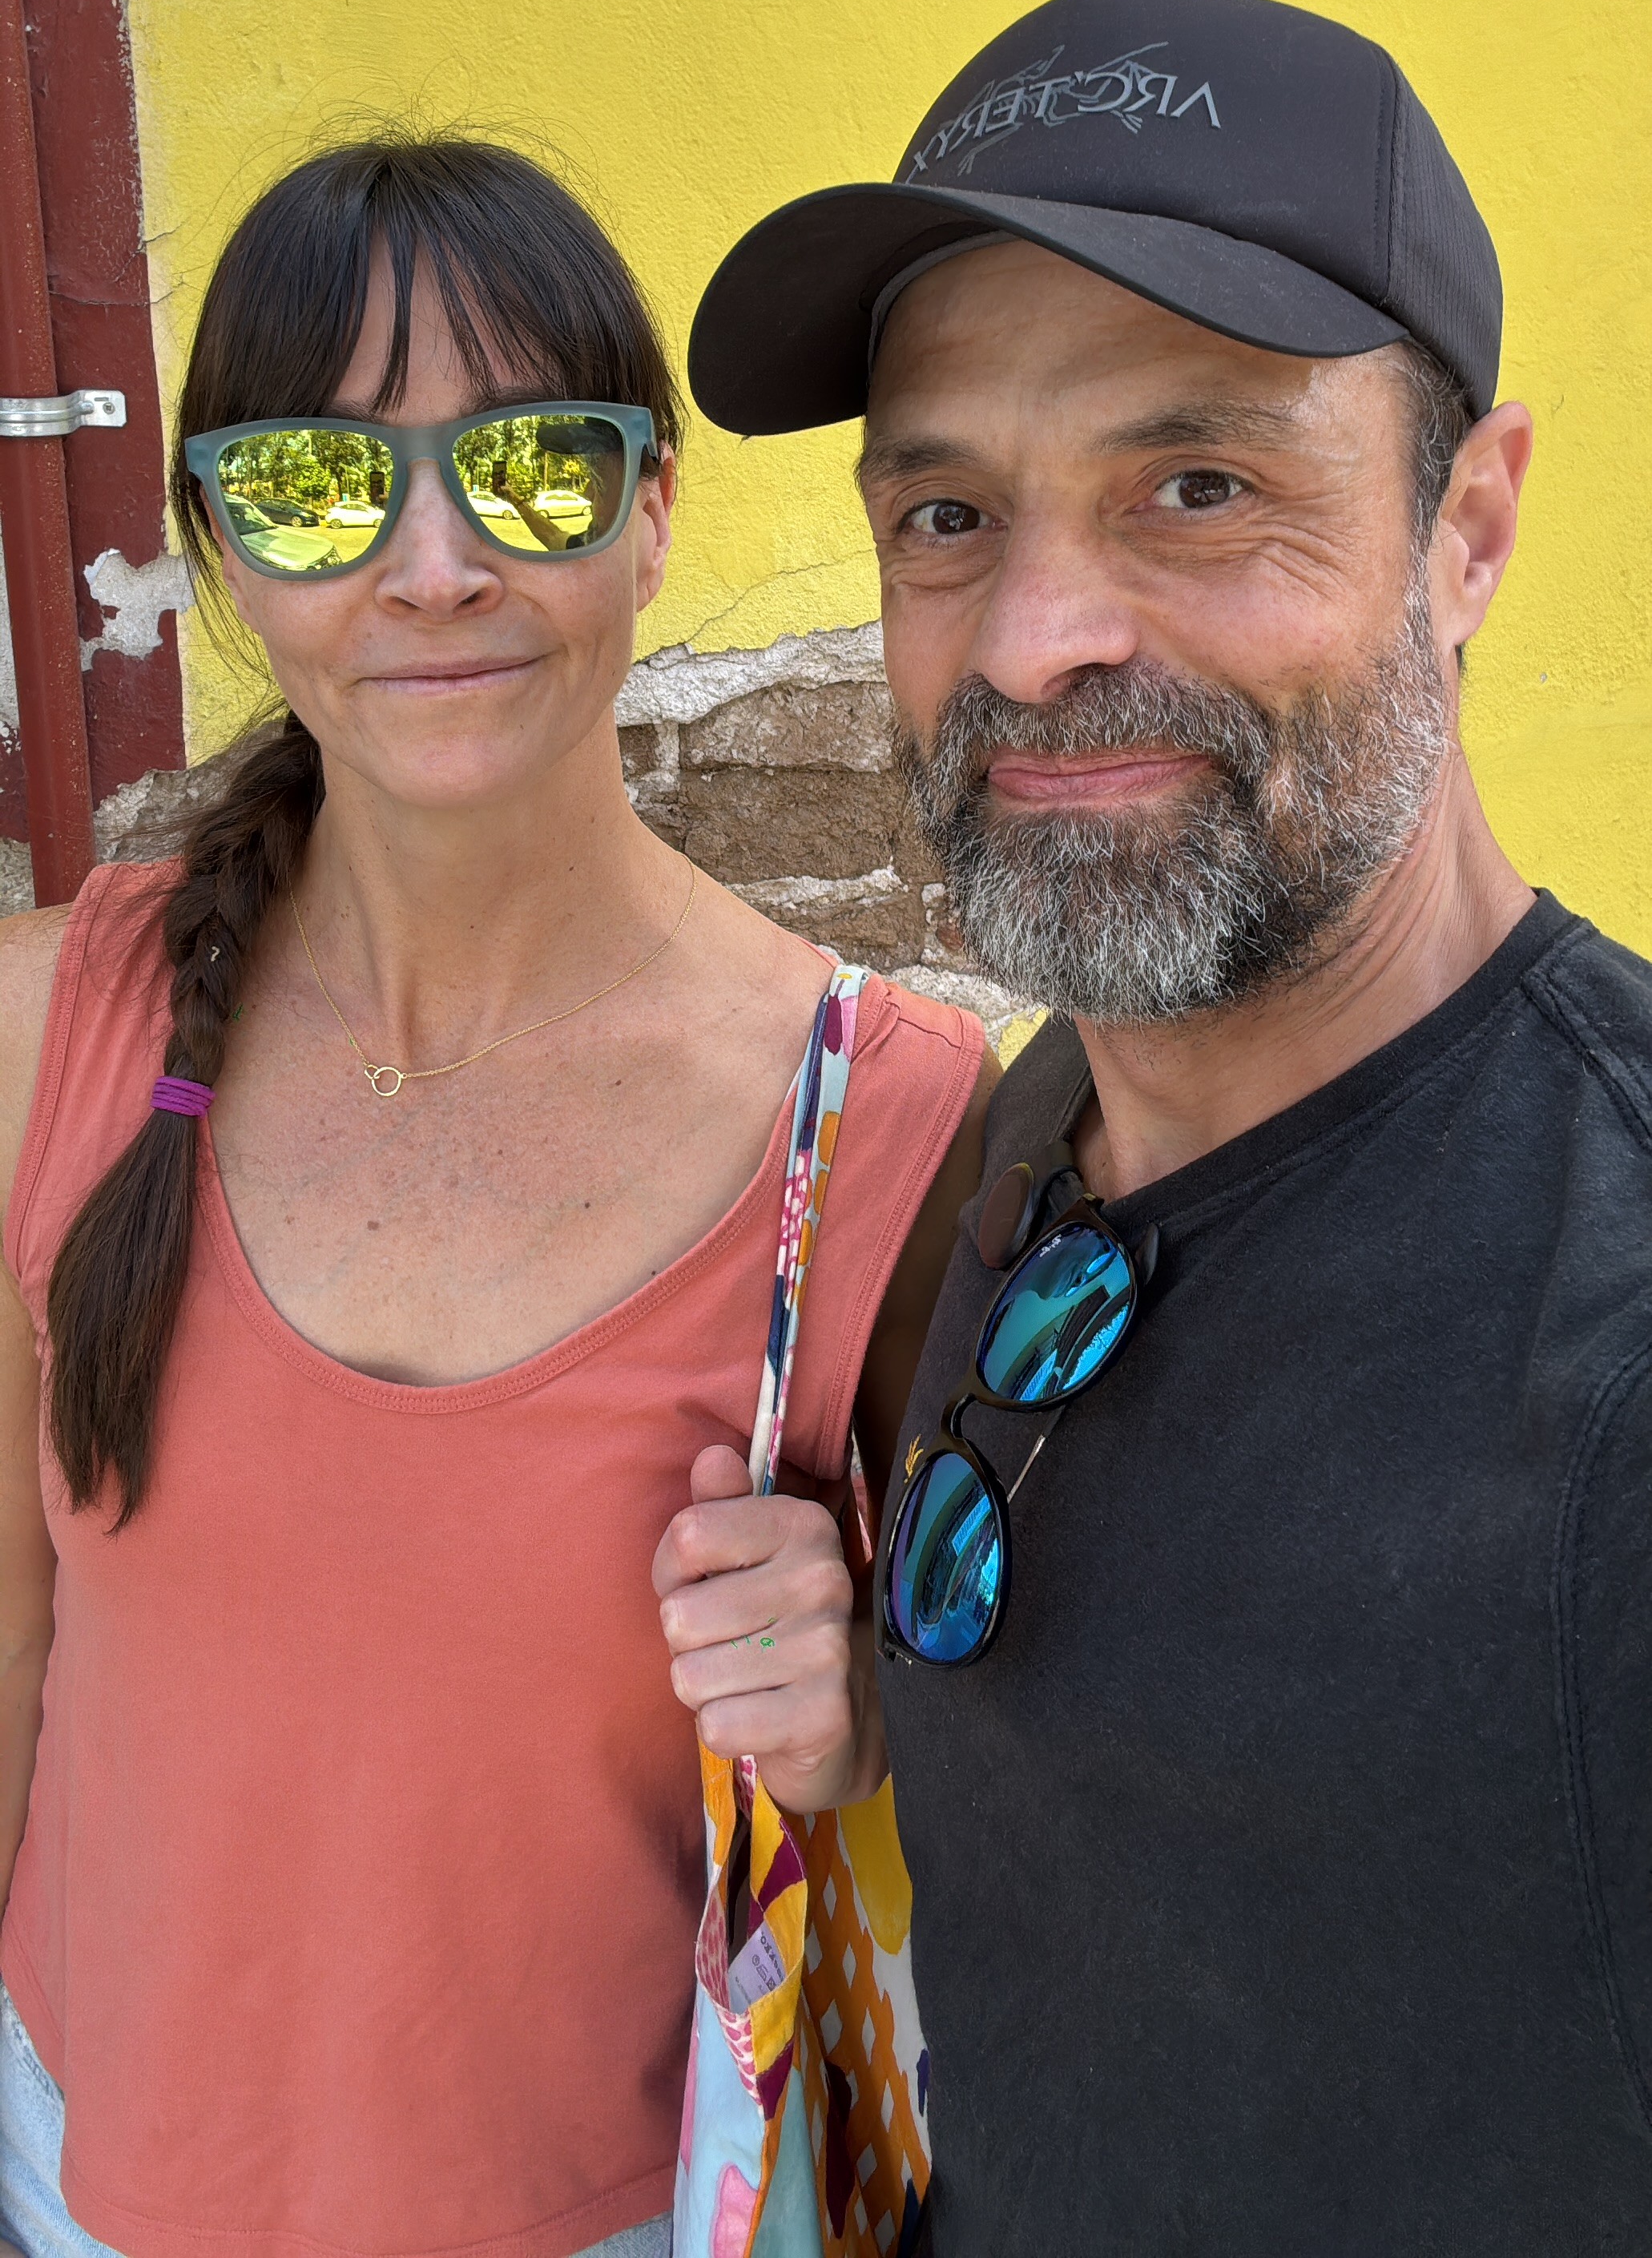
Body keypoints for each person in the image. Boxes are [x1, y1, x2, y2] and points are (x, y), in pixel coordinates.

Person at [673, 0, 1652, 2252]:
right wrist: (879, 1720)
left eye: (1198, 486)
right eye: (946, 511)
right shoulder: (1047, 1127)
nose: (1034, 637)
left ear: (1469, 527)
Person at [0, 137, 990, 2258]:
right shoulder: (49, 1031)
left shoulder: (878, 1129)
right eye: (316, 488)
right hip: (72, 2179)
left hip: (617, 2217)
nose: (434, 566)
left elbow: (1024, 1740)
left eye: (533, 468)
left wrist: (868, 1713)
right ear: (217, 552)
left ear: (654, 512)